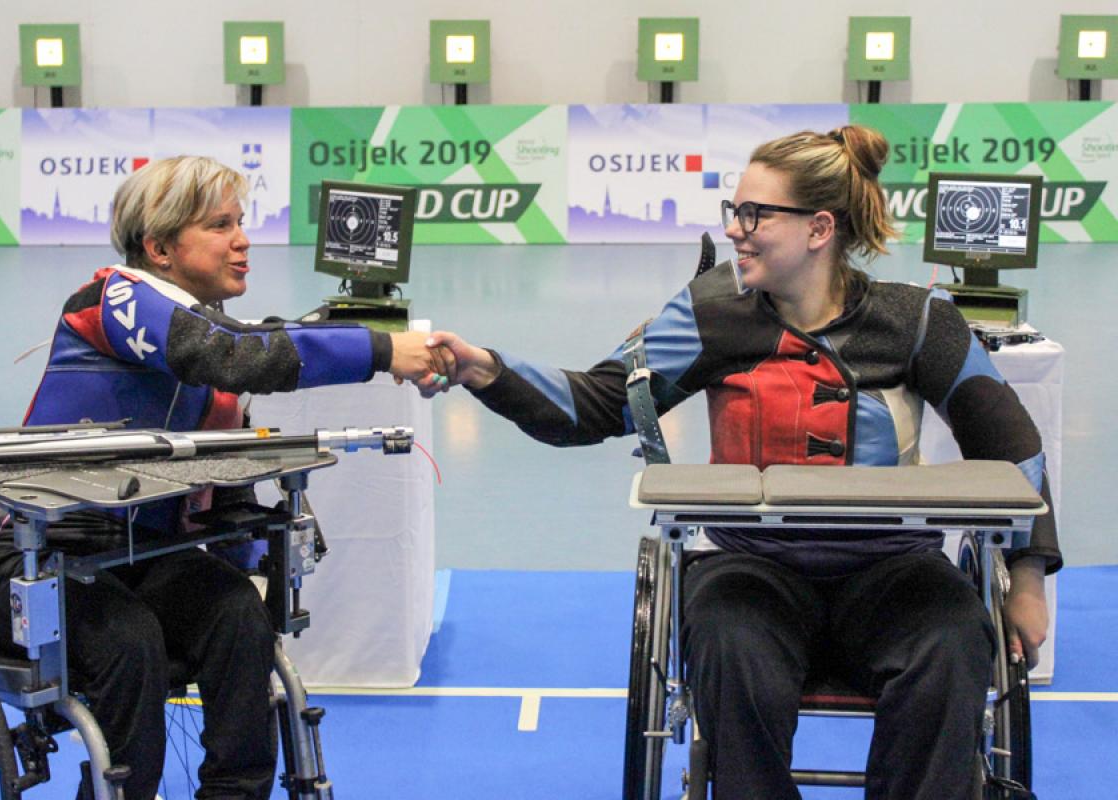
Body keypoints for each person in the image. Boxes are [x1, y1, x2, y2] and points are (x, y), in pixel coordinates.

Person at [417, 126, 1060, 799]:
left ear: (818, 229)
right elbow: (596, 405)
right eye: (734, 211)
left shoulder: (919, 321)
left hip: (893, 570)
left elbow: (1015, 448)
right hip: (752, 568)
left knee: (955, 645)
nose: (736, 230)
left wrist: (1028, 577)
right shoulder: (707, 314)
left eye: (756, 214)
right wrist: (484, 368)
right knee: (729, 647)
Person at [0, 156, 448, 800]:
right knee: (130, 639)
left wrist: (261, 560)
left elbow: (225, 495)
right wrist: (378, 348)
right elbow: (227, 353)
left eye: (242, 222)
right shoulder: (113, 298)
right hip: (26, 557)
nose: (243, 239)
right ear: (160, 247)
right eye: (220, 224)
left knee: (238, 615)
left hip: (137, 557)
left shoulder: (211, 354)